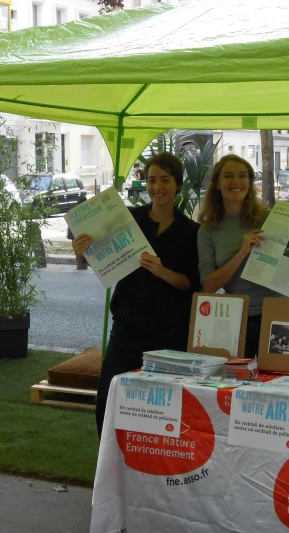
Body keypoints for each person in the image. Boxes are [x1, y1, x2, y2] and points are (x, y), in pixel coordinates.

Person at [72, 152, 201, 438]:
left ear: (178, 184)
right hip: (127, 329)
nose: (158, 187)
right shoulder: (128, 219)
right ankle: (110, 470)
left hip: (169, 335)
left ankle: (150, 476)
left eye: (165, 180)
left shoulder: (191, 232)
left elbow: (192, 285)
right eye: (152, 179)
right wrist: (84, 254)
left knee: (158, 414)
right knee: (108, 404)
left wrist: (162, 271)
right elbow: (104, 263)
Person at [197, 155, 289, 359]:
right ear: (217, 184)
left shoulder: (270, 218)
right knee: (237, 383)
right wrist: (241, 253)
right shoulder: (208, 230)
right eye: (228, 176)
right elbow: (210, 284)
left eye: (242, 176)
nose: (236, 182)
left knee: (280, 379)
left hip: (280, 314)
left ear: (249, 182)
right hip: (237, 320)